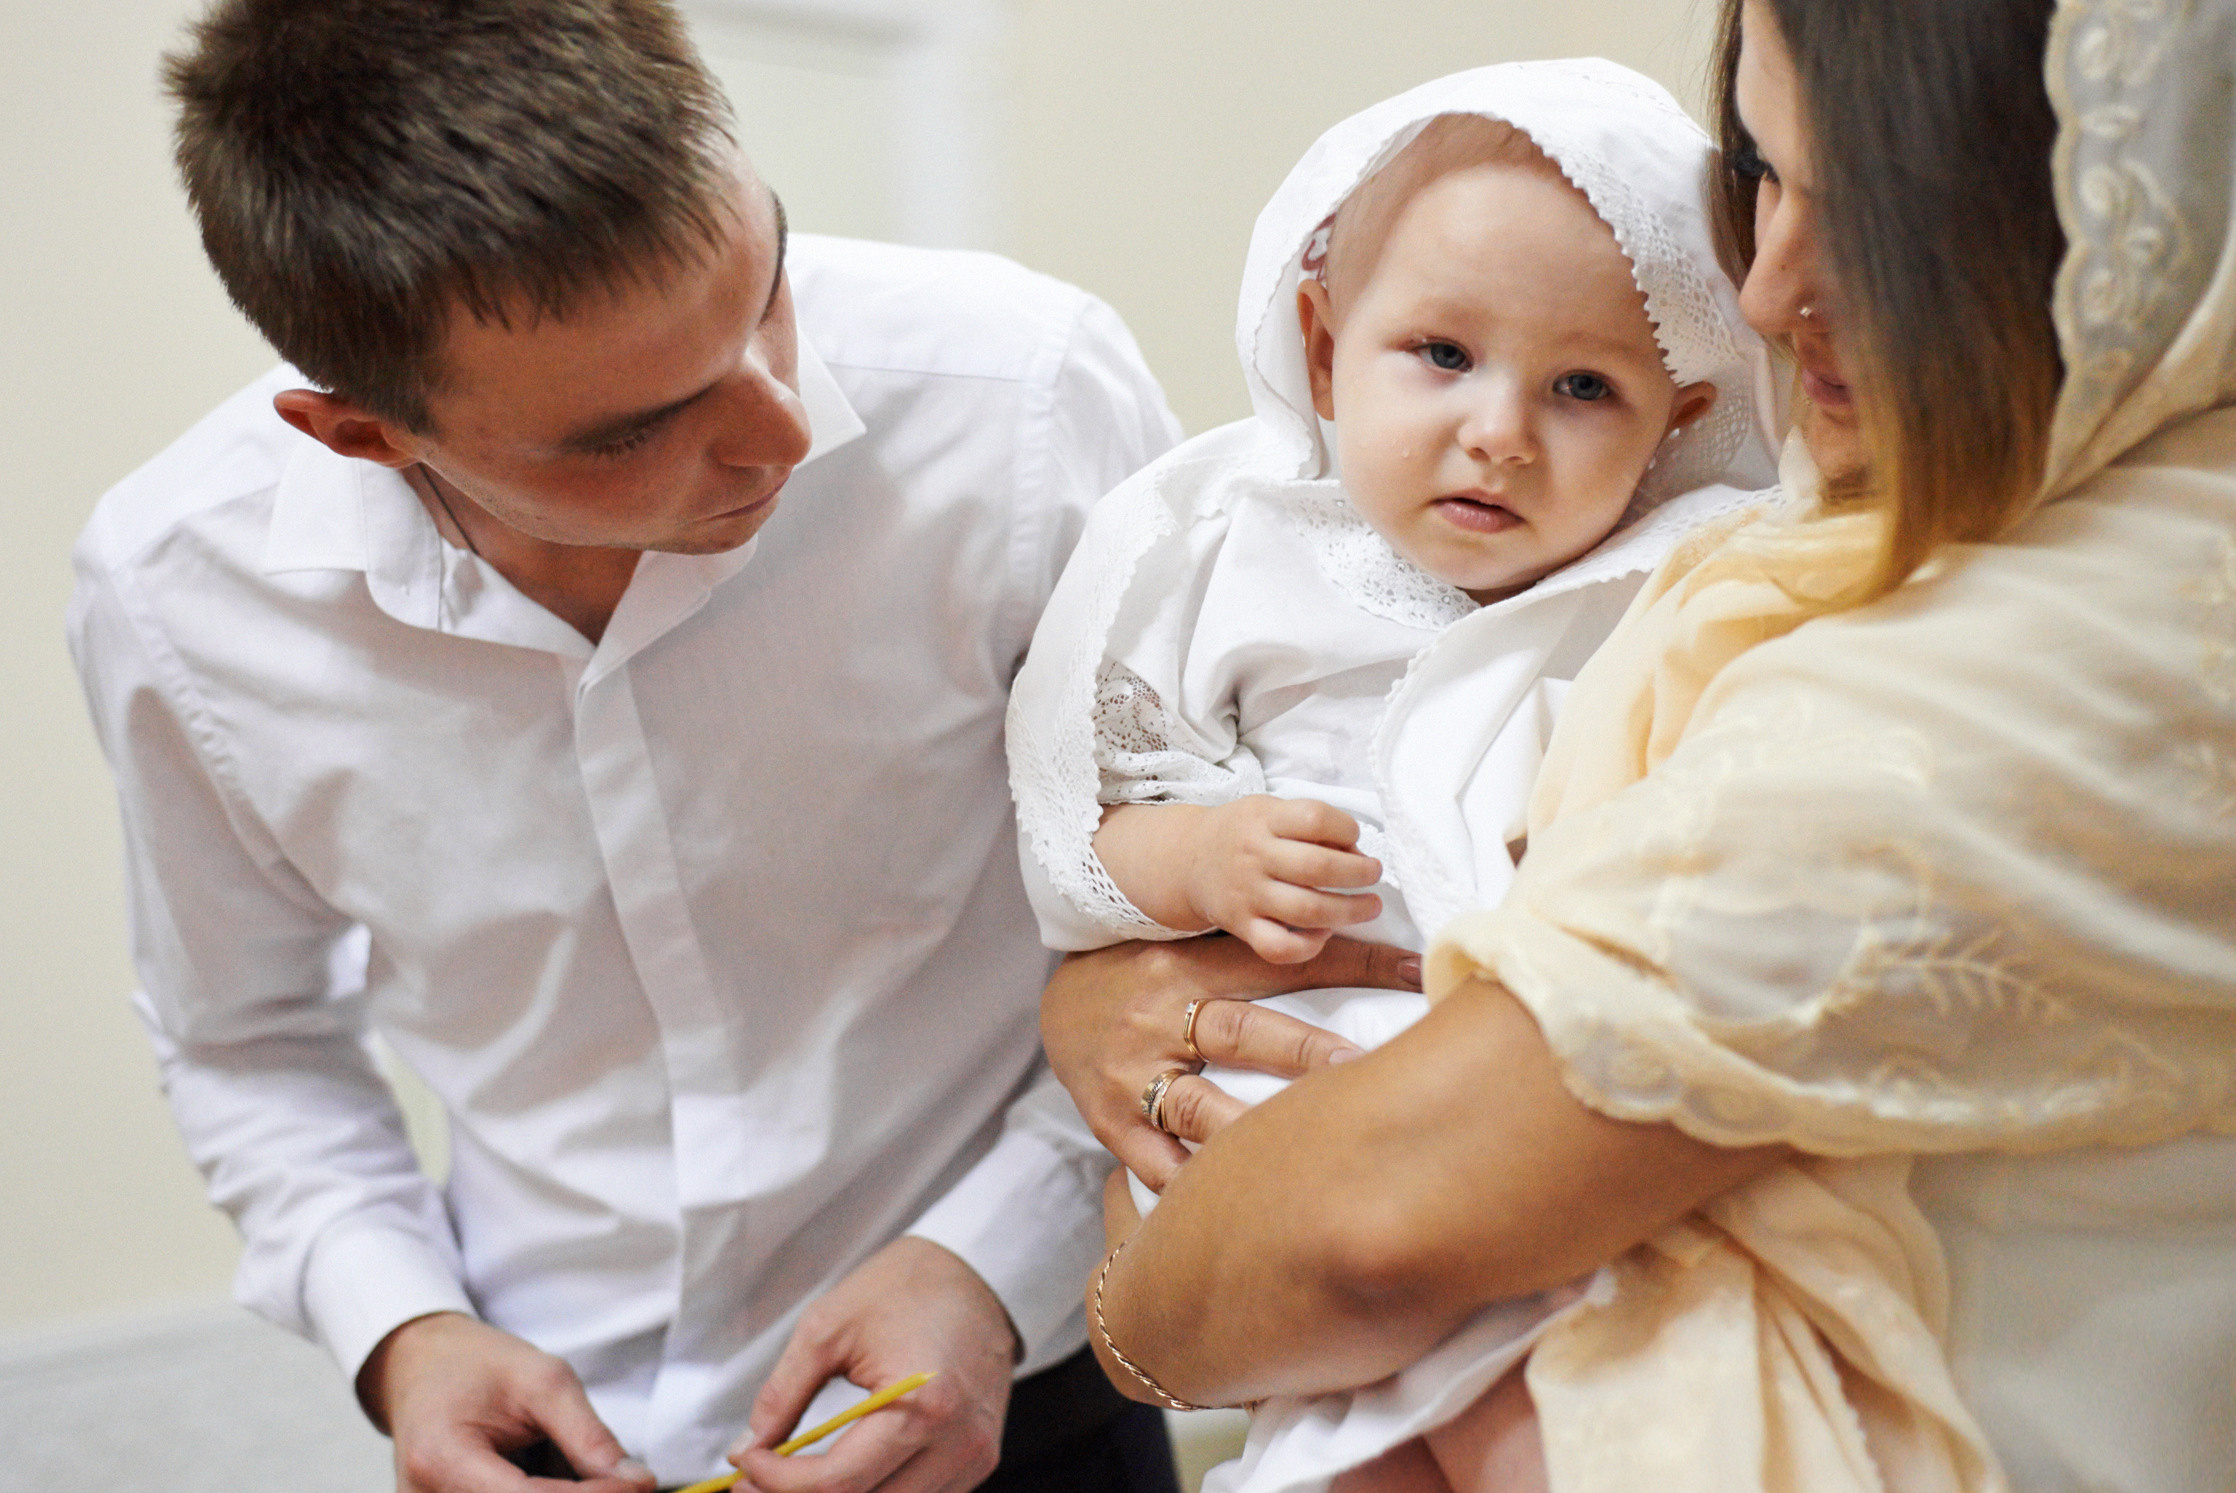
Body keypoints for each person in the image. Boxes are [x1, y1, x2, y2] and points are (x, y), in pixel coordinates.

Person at [1049, 0, 2236, 1490]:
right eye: (1763, 174)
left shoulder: (2067, 638)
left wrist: (1131, 1304)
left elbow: (1365, 1231)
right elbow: (1087, 801)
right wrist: (1112, 973)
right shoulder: (1950, 501)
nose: (1768, 287)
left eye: (1884, 214)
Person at [62, 0, 1226, 1488]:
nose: (787, 430)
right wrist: (401, 1328)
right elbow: (248, 1040)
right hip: (543, 1433)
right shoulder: (179, 595)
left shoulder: (1023, 405)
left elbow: (1203, 922)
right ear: (362, 434)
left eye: (768, 293)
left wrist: (995, 1265)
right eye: (630, 431)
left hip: (1029, 1393)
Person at [1006, 62, 1776, 1493]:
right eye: (1439, 353)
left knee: (1537, 1436)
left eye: (1583, 386)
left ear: (1673, 418)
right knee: (1331, 1451)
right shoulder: (1226, 545)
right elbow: (1087, 814)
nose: (1500, 429)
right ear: (1321, 341)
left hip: (1521, 1127)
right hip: (1284, 1092)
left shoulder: (1670, 579)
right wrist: (1208, 855)